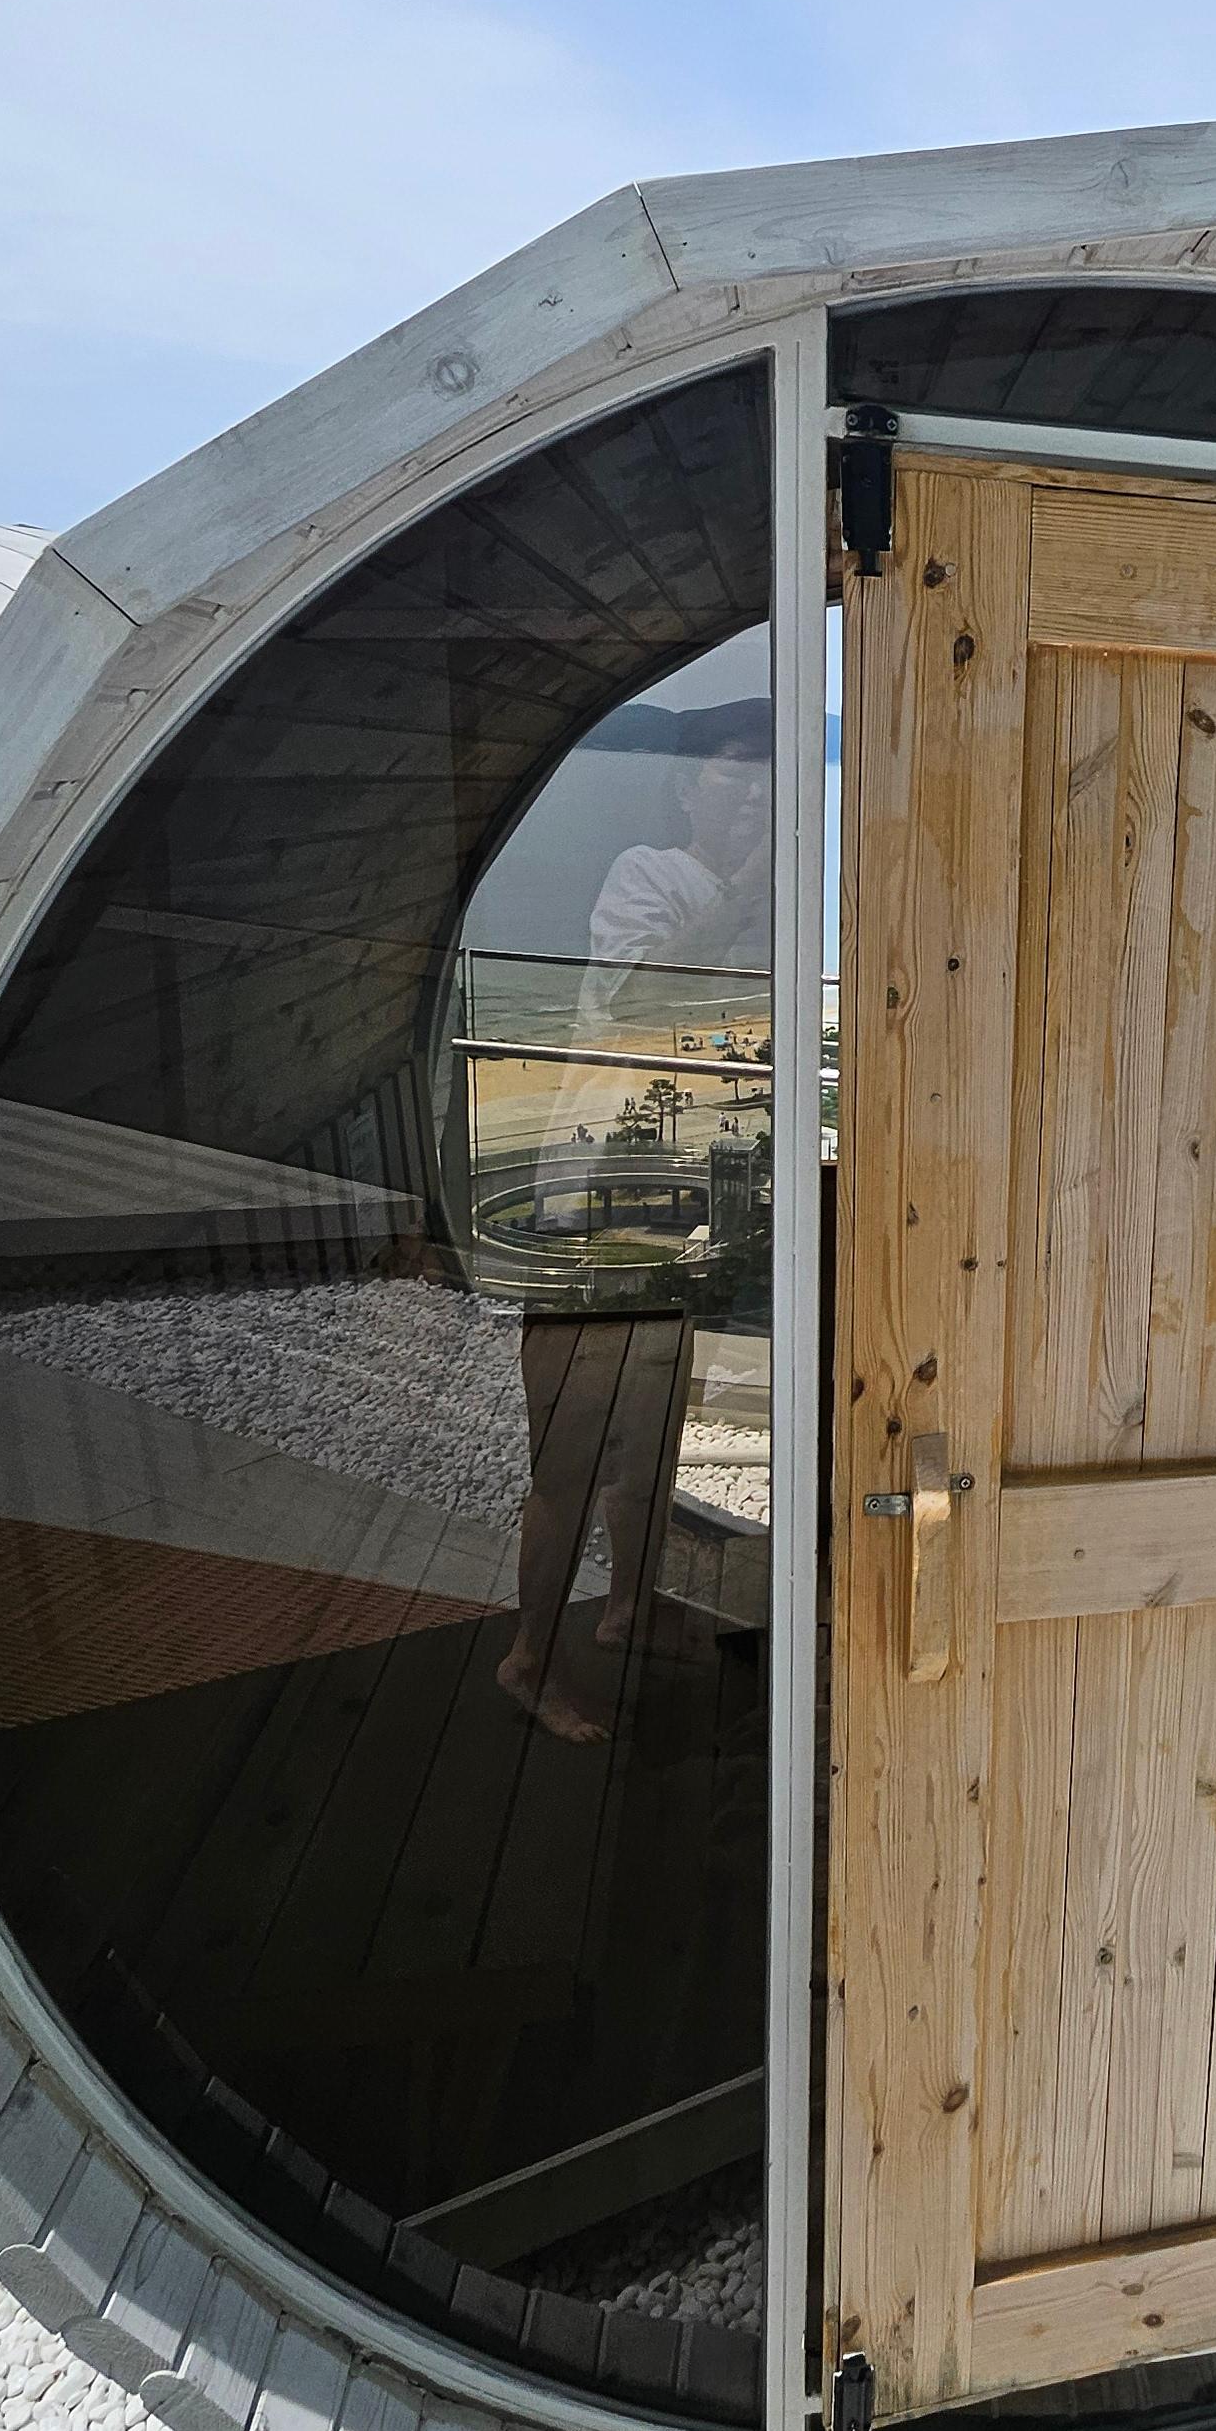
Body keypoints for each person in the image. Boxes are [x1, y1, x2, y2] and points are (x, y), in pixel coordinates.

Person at [500, 699, 767, 1746]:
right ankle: (528, 1658)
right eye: (734, 774)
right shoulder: (646, 874)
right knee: (572, 1450)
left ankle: (627, 1605)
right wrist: (749, 890)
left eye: (770, 777)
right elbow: (644, 998)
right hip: (597, 1206)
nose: (755, 795)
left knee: (654, 1436)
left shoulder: (771, 912)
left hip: (685, 1207)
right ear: (686, 788)